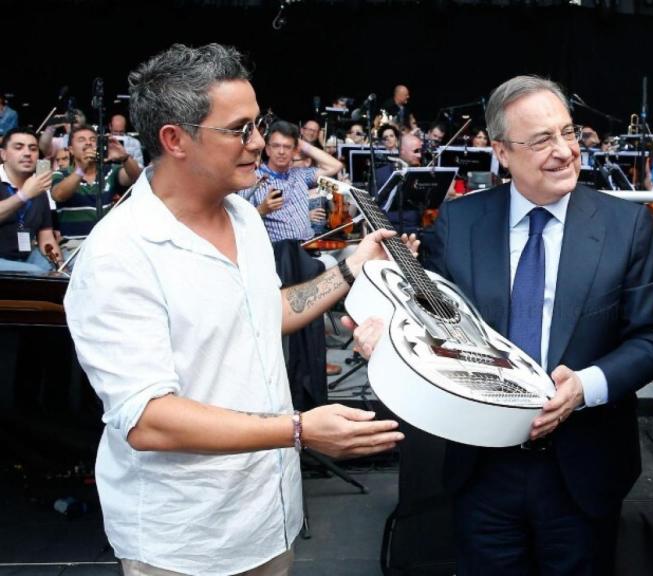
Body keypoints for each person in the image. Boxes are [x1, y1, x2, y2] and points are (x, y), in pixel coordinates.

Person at [63, 43, 408, 576]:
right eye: (239, 129)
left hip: (267, 521)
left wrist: (348, 271)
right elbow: (148, 420)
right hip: (183, 541)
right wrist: (299, 430)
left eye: (258, 125)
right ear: (175, 139)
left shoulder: (244, 220)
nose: (258, 143)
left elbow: (262, 312)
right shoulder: (118, 254)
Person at [353, 75, 653, 575]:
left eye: (568, 133)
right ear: (501, 151)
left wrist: (583, 389)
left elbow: (652, 340)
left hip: (584, 470)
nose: (565, 151)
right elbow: (430, 322)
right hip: (481, 470)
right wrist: (383, 336)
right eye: (542, 139)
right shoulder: (459, 223)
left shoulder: (625, 225)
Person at [240, 120, 342, 242]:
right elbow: (240, 224)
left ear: (294, 151)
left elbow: (335, 166)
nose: (281, 152)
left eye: (287, 147)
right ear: (267, 150)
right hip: (280, 254)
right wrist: (262, 210)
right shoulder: (252, 179)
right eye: (276, 146)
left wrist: (301, 143)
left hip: (309, 246)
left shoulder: (300, 174)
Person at [51, 125, 142, 253]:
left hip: (108, 244)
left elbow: (135, 179)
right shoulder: (61, 174)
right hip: (75, 247)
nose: (88, 142)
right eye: (81, 140)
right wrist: (81, 169)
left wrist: (125, 157)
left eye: (93, 139)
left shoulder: (110, 170)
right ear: (71, 150)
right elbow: (59, 195)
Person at [0, 128, 60, 271]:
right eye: (19, 147)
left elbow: (46, 238)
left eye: (33, 149)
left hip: (26, 256)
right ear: (3, 154)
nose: (27, 153)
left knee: (68, 268)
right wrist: (23, 195)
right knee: (35, 272)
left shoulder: (38, 187)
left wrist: (60, 267)